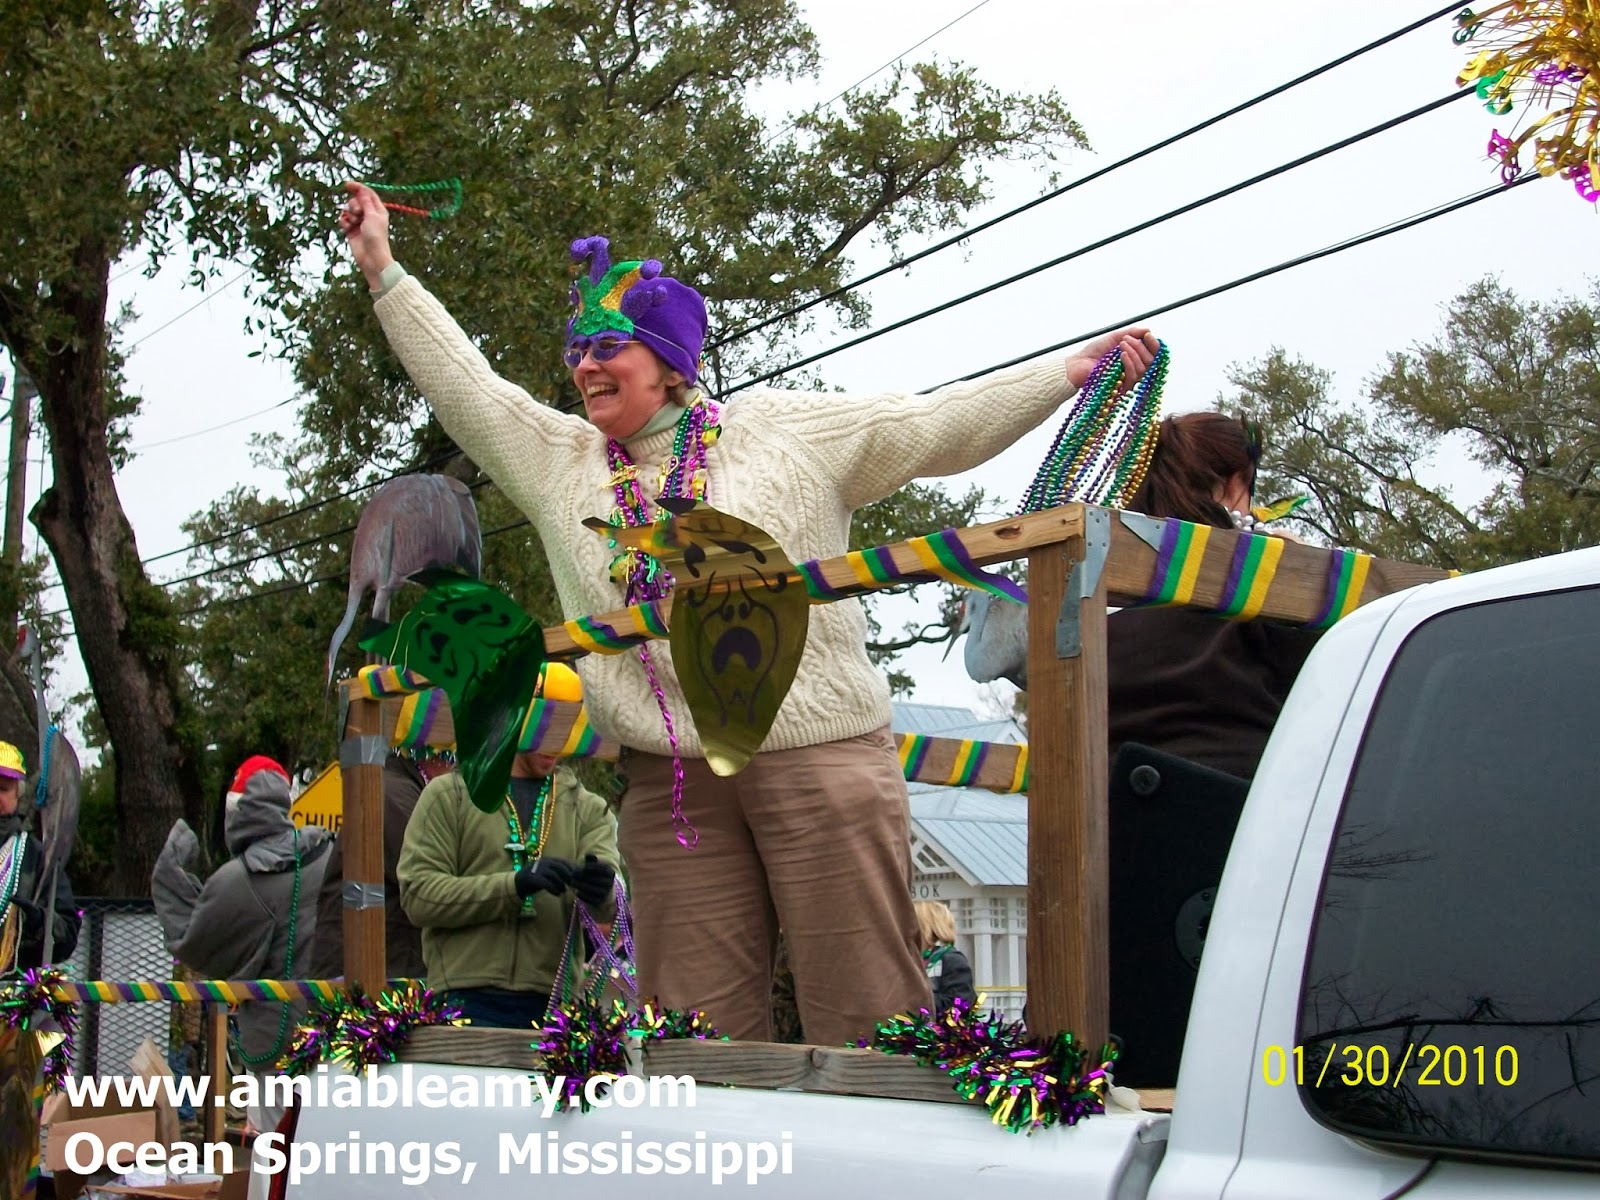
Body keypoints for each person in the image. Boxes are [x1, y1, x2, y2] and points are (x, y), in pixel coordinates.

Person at [338, 181, 1161, 1044]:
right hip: (671, 783)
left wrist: (1064, 374)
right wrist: (383, 267)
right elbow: (468, 388)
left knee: (867, 1015)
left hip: (820, 765)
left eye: (608, 346)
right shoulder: (562, 462)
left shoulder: (778, 432)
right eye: (576, 348)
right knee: (692, 1039)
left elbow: (928, 426)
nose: (583, 364)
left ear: (670, 365)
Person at [397, 664, 621, 1029]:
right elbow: (418, 895)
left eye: (566, 728)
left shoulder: (588, 809)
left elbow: (613, 901)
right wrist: (513, 886)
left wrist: (602, 890)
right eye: (546, 725)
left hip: (557, 1008)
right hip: (464, 999)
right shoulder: (449, 795)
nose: (556, 742)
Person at [1109, 412, 1321, 780]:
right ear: (1235, 482)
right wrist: (1301, 565)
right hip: (1244, 807)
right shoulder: (1264, 574)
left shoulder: (1098, 582)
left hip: (1115, 810)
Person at [150, 755, 332, 1159]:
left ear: (237, 811)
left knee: (275, 1155)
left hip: (274, 1041)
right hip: (337, 1034)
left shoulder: (240, 880)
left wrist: (171, 872)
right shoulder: (328, 856)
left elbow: (194, 940)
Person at [305, 751, 431, 983]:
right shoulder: (393, 796)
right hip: (369, 977)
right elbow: (430, 882)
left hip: (372, 969)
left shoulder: (396, 789)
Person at [0, 740, 79, 971]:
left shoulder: (38, 858)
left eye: (3, 789)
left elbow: (68, 934)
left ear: (18, 794)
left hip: (13, 997)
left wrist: (38, 923)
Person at [914, 900, 976, 1016]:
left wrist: (917, 1000)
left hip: (938, 1031)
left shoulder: (951, 959)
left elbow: (960, 1004)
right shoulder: (914, 958)